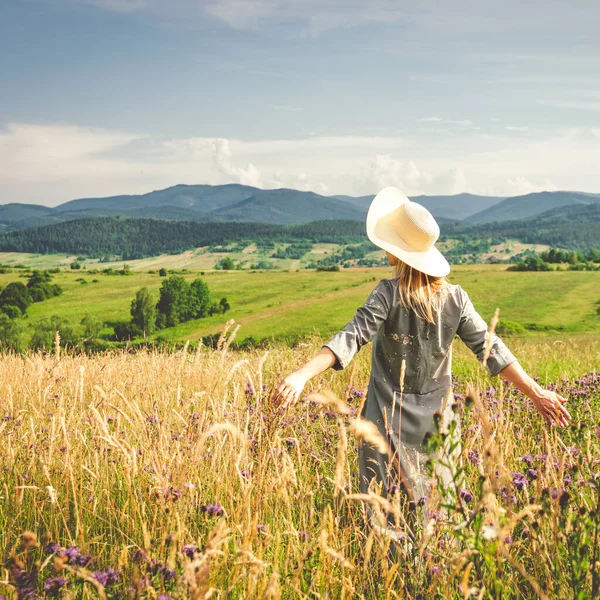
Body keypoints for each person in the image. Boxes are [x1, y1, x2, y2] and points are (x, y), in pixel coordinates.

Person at [274, 186, 571, 512]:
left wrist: (301, 376)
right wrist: (535, 391)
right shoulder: (455, 298)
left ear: (396, 252)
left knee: (385, 519)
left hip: (384, 427)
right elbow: (491, 348)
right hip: (439, 430)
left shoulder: (386, 294)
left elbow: (350, 337)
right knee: (438, 516)